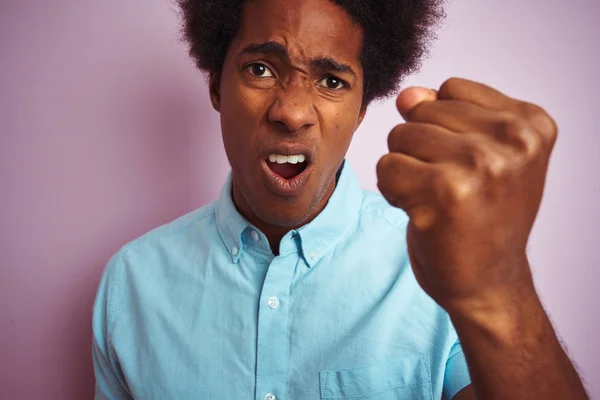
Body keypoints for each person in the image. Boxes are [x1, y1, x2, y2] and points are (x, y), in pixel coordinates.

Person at [92, 0, 588, 399]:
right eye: (261, 68)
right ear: (216, 85)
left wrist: (499, 292)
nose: (291, 112)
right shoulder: (130, 284)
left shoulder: (439, 276)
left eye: (332, 81)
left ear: (360, 111)